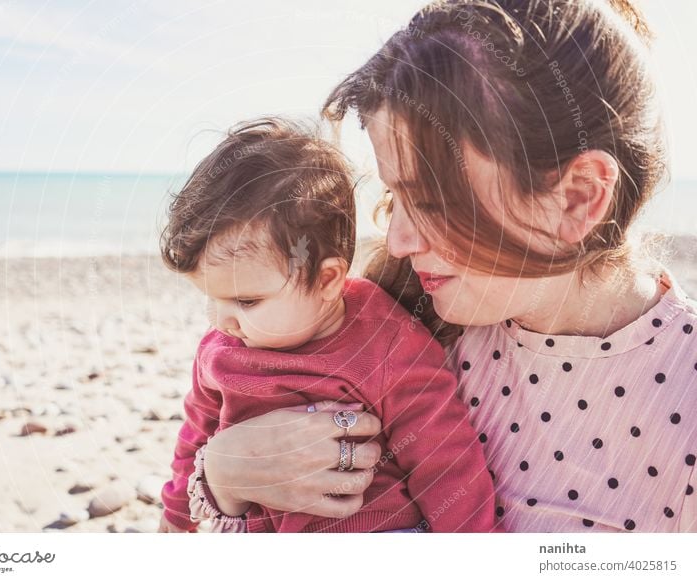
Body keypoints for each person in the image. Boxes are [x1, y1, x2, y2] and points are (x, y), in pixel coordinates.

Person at [188, 0, 697, 532]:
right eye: (394, 197)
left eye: (431, 201)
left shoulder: (684, 401)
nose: (399, 241)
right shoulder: (395, 321)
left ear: (577, 197)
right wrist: (224, 478)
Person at [156, 117, 499, 533]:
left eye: (247, 301)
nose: (221, 319)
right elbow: (195, 439)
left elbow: (444, 459)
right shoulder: (222, 349)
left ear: (328, 279)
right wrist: (175, 520)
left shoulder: (386, 341)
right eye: (211, 298)